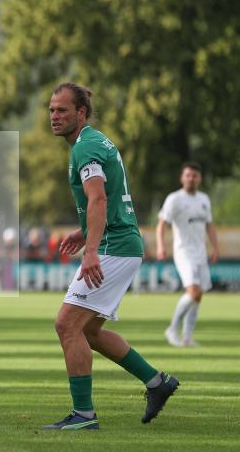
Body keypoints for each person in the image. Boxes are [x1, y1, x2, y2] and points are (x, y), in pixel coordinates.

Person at [45, 82, 179, 431]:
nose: (54, 116)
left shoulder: (84, 148)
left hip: (113, 247)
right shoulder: (94, 140)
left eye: (62, 110)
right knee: (88, 331)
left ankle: (83, 416)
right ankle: (156, 382)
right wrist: (85, 232)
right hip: (120, 242)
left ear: (81, 113)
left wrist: (91, 250)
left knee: (66, 324)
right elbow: (107, 199)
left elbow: (100, 199)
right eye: (51, 110)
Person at [156, 162, 219, 347]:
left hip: (201, 254)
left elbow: (209, 225)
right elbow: (162, 223)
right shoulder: (174, 199)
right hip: (184, 252)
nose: (191, 178)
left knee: (198, 296)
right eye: (188, 175)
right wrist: (161, 245)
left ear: (199, 178)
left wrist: (215, 248)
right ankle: (172, 329)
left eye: (195, 175)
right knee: (194, 292)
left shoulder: (204, 199)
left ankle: (187, 337)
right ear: (182, 178)